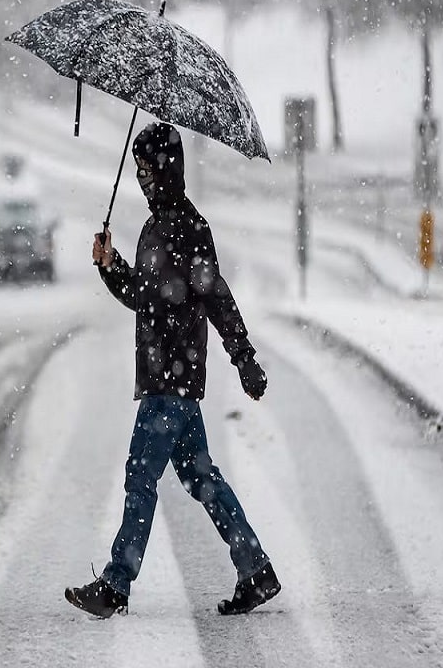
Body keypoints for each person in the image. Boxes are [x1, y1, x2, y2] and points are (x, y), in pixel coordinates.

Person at [65, 121, 279, 619]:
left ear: (166, 170)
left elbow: (210, 296)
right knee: (203, 479)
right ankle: (256, 570)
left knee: (141, 476)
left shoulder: (184, 227)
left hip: (169, 381)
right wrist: (111, 264)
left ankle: (116, 584)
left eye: (146, 170)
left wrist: (244, 357)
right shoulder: (163, 225)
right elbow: (146, 297)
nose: (141, 180)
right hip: (174, 380)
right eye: (137, 171)